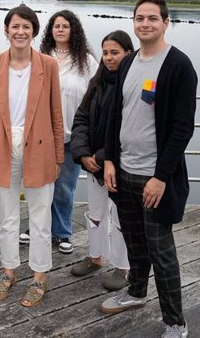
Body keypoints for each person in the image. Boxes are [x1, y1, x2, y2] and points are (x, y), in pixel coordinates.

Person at [100, 0, 197, 338]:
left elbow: (184, 127)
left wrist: (160, 177)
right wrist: (109, 159)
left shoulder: (178, 65)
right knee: (134, 241)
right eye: (139, 18)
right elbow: (116, 114)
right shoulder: (128, 63)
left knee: (162, 251)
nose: (145, 24)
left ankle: (175, 322)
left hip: (154, 178)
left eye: (152, 18)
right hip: (123, 170)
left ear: (166, 23)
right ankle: (136, 292)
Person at [0, 5, 64, 307]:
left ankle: (39, 276)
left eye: (26, 27)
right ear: (6, 30)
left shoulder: (48, 65)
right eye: (15, 26)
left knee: (40, 217)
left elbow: (56, 113)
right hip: (3, 147)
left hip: (39, 148)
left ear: (34, 31)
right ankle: (9, 271)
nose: (20, 32)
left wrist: (58, 157)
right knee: (7, 216)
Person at [20, 10, 98, 254]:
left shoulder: (86, 61)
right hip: (42, 136)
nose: (61, 30)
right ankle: (37, 228)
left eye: (65, 26)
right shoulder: (40, 57)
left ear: (73, 30)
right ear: (50, 31)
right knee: (40, 186)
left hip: (72, 136)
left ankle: (62, 232)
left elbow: (96, 96)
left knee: (64, 187)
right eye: (56, 26)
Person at [69, 30, 134, 291]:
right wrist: (83, 154)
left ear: (128, 53)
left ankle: (123, 267)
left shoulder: (133, 84)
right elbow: (81, 118)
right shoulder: (97, 82)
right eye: (105, 52)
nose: (108, 58)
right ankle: (95, 257)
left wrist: (104, 155)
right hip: (93, 164)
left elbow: (131, 128)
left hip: (122, 165)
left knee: (120, 218)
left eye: (114, 52)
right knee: (96, 213)